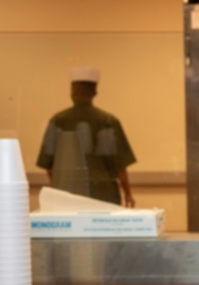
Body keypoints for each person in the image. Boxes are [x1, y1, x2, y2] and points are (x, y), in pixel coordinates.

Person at [36, 67, 136, 207]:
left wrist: (59, 185)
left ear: (73, 92)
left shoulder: (58, 120)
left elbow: (47, 162)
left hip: (67, 193)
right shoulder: (108, 121)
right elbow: (120, 165)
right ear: (95, 92)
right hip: (104, 194)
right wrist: (128, 193)